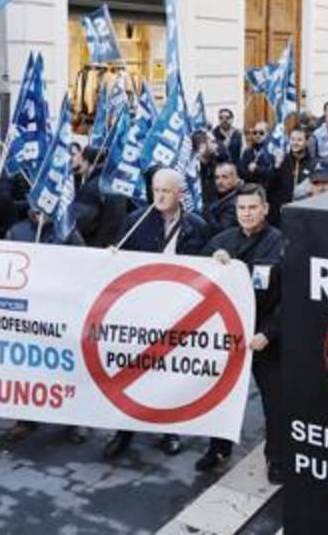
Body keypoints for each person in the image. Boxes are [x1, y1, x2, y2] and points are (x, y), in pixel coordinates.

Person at [103, 169, 209, 459]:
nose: (159, 196)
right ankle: (123, 431)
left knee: (167, 372)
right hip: (141, 308)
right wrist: (113, 254)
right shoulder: (134, 220)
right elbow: (119, 260)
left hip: (176, 312)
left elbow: (207, 266)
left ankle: (168, 429)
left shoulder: (196, 226)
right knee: (132, 371)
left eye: (166, 191)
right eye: (155, 190)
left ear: (180, 194)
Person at [195, 184, 286, 482]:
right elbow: (197, 276)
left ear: (265, 209)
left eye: (252, 208)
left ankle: (276, 458)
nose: (246, 214)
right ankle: (218, 448)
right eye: (241, 208)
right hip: (228, 336)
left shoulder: (282, 244)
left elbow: (291, 297)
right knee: (221, 395)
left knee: (274, 402)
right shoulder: (221, 241)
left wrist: (269, 333)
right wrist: (213, 261)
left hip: (263, 338)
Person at [3, 209, 88, 444]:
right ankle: (24, 419)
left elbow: (85, 268)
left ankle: (75, 420)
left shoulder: (69, 232)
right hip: (27, 314)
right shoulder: (16, 232)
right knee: (25, 368)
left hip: (60, 313)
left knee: (66, 369)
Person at [72, 146, 129, 247]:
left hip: (95, 245)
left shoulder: (92, 187)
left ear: (86, 161)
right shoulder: (115, 184)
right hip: (114, 244)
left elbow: (83, 223)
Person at [272, 128, 314, 220]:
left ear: (306, 142)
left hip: (304, 213)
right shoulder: (282, 160)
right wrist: (276, 167)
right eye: (292, 139)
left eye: (299, 140)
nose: (295, 143)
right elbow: (271, 186)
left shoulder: (313, 163)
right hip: (282, 213)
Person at [204, 161, 242, 233]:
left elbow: (221, 232)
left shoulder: (236, 201)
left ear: (236, 179)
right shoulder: (221, 194)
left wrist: (207, 213)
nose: (219, 181)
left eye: (225, 177)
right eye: (217, 177)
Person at [239, 121, 275, 186]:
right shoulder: (247, 151)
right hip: (250, 188)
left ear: (267, 134)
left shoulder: (272, 151)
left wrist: (257, 169)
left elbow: (273, 174)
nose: (257, 135)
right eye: (255, 132)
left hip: (267, 189)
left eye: (261, 133)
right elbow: (241, 172)